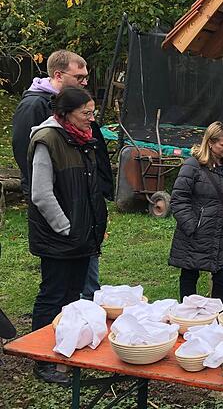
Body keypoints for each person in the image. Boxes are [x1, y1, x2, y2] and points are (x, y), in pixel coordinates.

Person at [11, 49, 113, 301]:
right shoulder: (36, 106)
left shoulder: (79, 118)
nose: (85, 82)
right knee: (56, 289)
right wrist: (63, 222)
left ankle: (82, 314)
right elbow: (32, 164)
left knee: (77, 283)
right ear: (58, 75)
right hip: (62, 210)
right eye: (79, 77)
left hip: (81, 208)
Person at [28, 87, 108, 384]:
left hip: (81, 237)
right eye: (85, 113)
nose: (91, 118)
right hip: (58, 239)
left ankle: (67, 349)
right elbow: (41, 194)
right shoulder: (47, 140)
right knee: (53, 296)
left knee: (74, 299)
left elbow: (87, 190)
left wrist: (91, 227)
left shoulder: (81, 139)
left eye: (92, 112)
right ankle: (42, 360)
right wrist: (67, 229)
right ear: (64, 114)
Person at [169, 121, 223, 307]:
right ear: (210, 143)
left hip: (222, 232)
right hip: (196, 233)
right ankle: (187, 315)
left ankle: (217, 317)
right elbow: (178, 199)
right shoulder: (192, 166)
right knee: (190, 273)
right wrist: (192, 225)